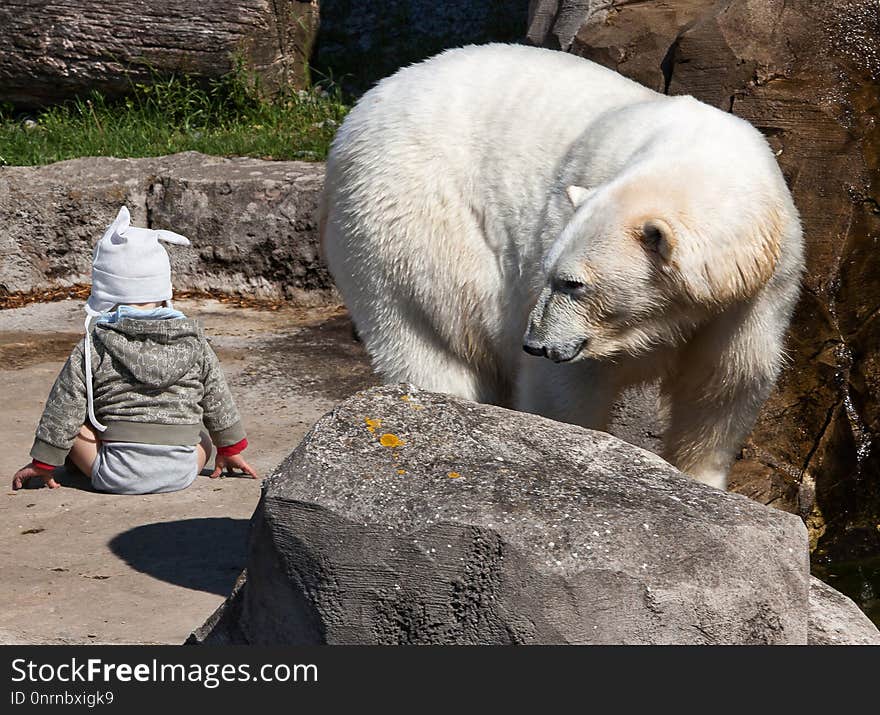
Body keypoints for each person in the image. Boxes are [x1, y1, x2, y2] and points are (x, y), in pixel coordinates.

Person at [11, 206, 257, 493]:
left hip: (115, 472)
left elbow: (64, 407)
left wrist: (43, 463)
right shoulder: (195, 342)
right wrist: (229, 448)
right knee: (201, 436)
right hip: (183, 470)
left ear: (104, 292)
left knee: (76, 424)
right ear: (164, 289)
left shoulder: (95, 344)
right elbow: (218, 399)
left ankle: (80, 462)